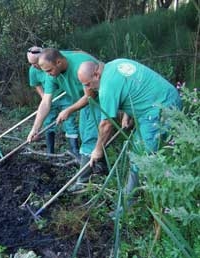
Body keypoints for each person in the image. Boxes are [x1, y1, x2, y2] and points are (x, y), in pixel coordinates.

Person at [77, 58, 182, 205]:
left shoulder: (106, 87)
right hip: (169, 95)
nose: (88, 89)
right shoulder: (116, 64)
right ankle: (149, 186)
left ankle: (131, 202)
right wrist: (128, 114)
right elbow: (133, 86)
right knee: (149, 149)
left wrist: (98, 150)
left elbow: (106, 124)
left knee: (140, 156)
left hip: (159, 110)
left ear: (96, 75)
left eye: (88, 84)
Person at [27, 48, 105, 186]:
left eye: (49, 70)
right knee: (84, 134)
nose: (48, 75)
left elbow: (90, 96)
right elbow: (46, 102)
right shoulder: (51, 74)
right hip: (85, 103)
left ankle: (82, 181)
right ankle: (101, 168)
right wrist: (35, 128)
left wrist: (68, 110)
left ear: (58, 62)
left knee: (89, 138)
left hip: (101, 100)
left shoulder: (79, 66)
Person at [27, 46, 79, 155]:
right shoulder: (34, 70)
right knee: (48, 121)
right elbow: (36, 85)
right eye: (31, 64)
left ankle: (75, 151)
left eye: (36, 63)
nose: (35, 66)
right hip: (49, 98)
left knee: (69, 121)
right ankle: (50, 152)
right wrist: (43, 98)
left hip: (65, 96)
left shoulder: (55, 61)